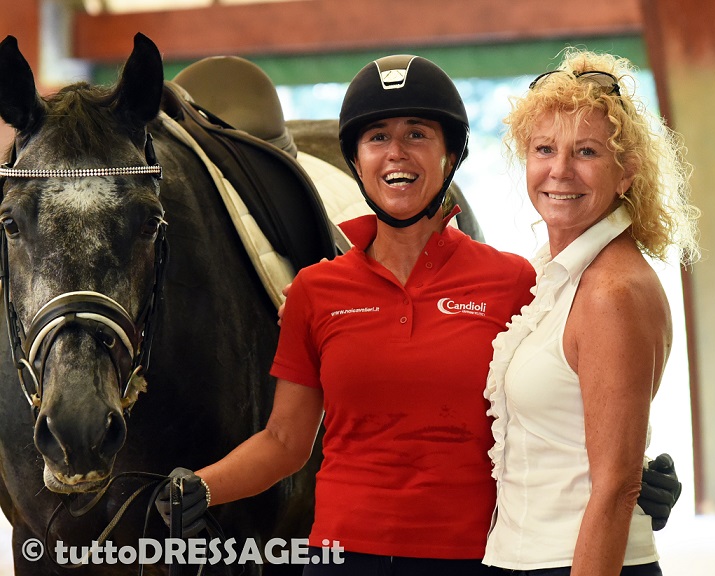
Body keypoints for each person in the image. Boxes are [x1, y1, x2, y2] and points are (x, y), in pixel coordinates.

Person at [157, 54, 682, 575]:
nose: (396, 154)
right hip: (339, 559)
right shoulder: (316, 291)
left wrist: (632, 481)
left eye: (417, 135)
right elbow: (284, 442)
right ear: (355, 160)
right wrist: (202, 485)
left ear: (451, 155)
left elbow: (565, 398)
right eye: (377, 138)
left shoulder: (518, 282)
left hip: (471, 558)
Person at [481, 49, 700, 576]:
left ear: (625, 173)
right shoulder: (559, 277)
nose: (559, 170)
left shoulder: (612, 291)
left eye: (586, 152)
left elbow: (617, 486)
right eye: (544, 148)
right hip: (529, 557)